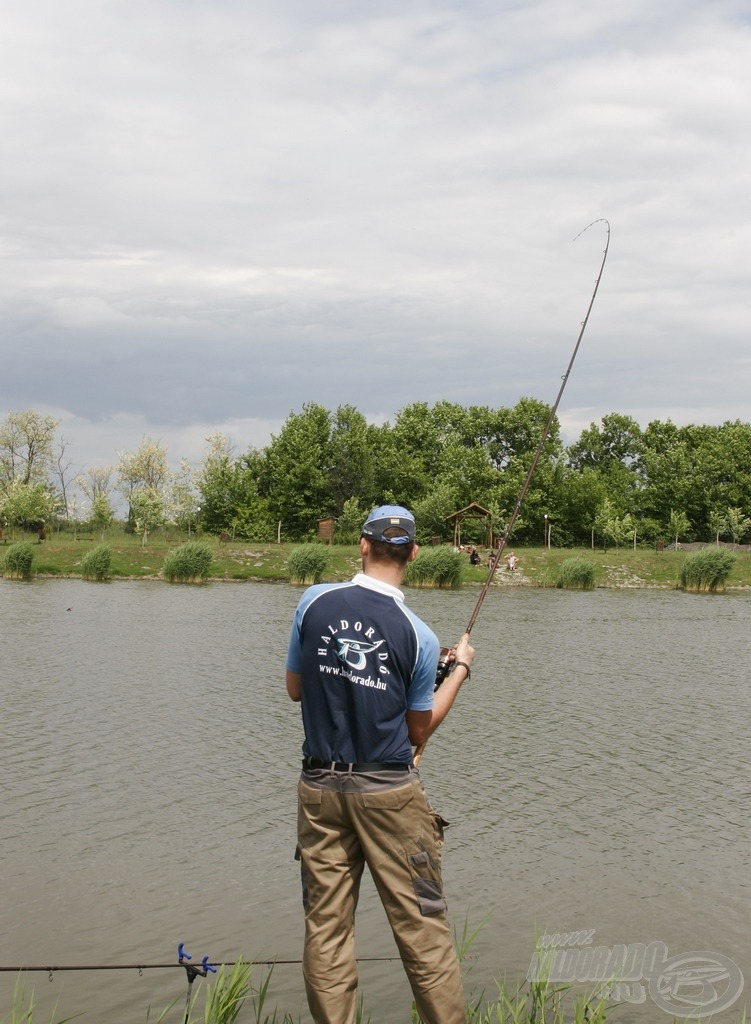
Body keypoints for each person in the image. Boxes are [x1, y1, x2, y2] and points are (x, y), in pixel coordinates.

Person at [286, 505, 475, 1024]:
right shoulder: (419, 636)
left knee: (326, 929)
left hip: (320, 789)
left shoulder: (313, 601)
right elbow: (418, 731)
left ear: (363, 546)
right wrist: (457, 671)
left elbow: (296, 688)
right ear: (413, 553)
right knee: (424, 931)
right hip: (390, 796)